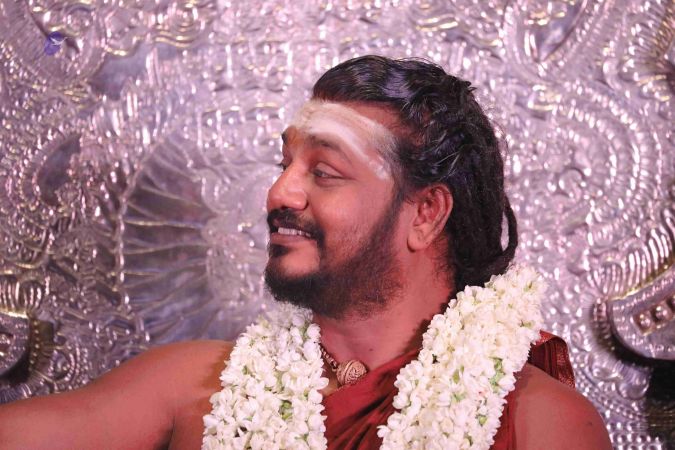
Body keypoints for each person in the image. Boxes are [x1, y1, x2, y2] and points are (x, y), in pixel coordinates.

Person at [0, 56, 612, 449]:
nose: (280, 193)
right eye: (284, 163)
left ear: (426, 213)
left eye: (324, 171)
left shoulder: (540, 422)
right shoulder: (189, 386)